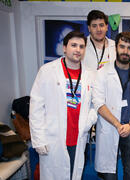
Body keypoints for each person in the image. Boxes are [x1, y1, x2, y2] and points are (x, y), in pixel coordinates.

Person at [29, 31, 97, 180]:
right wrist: (39, 139)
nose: (78, 50)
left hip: (78, 136)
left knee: (74, 173)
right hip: (54, 137)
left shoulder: (90, 75)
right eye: (73, 45)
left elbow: (96, 104)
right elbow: (36, 108)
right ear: (64, 48)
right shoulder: (47, 71)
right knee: (54, 175)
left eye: (81, 46)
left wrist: (88, 121)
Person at [92, 32, 130, 180]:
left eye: (129, 48)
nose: (125, 51)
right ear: (116, 48)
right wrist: (117, 124)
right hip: (110, 127)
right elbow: (98, 102)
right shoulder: (102, 73)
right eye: (122, 46)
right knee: (109, 174)